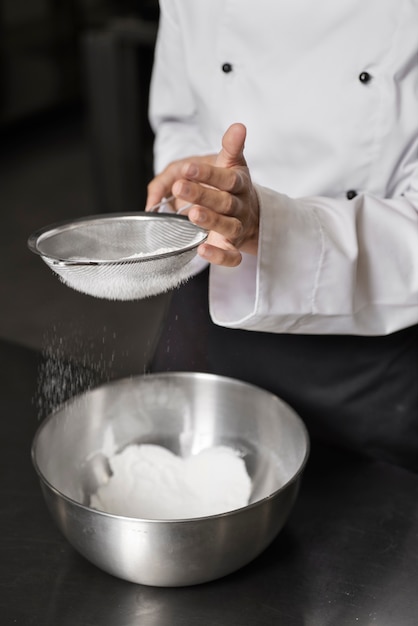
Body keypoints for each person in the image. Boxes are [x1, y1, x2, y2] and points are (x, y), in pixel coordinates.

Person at [145, 0, 418, 471]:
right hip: (211, 302)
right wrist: (195, 190)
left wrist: (269, 227)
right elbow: (183, 121)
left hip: (372, 343)